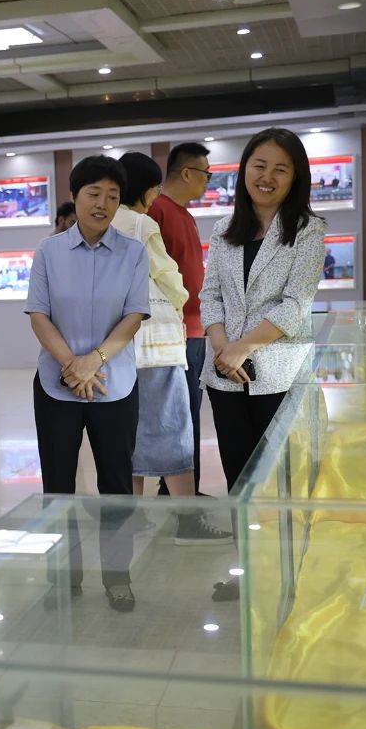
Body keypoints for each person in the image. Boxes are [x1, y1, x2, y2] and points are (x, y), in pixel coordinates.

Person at [199, 129, 325, 602]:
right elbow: (210, 296)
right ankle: (249, 572)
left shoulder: (308, 230)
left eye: (280, 168)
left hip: (280, 375)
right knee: (239, 482)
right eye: (259, 165)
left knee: (282, 482)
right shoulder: (224, 230)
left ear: (295, 177)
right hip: (226, 379)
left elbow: (296, 303)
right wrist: (223, 348)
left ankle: (289, 577)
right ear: (244, 170)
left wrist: (244, 347)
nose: (267, 177)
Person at [27, 156, 150, 612]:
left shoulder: (133, 252)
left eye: (112, 196)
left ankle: (117, 576)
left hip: (114, 384)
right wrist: (71, 365)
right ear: (75, 196)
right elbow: (39, 315)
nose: (103, 204)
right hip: (56, 383)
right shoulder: (49, 251)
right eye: (94, 194)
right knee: (58, 487)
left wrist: (92, 361)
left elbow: (133, 316)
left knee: (116, 486)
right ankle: (63, 578)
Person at [112, 153, 200, 505]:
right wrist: (182, 300)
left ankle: (130, 520)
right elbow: (167, 275)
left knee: (127, 438)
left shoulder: (102, 223)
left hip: (118, 345)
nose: (156, 195)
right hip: (156, 343)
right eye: (154, 188)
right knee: (172, 428)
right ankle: (187, 517)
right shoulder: (141, 225)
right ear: (145, 189)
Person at [149, 142, 212, 497]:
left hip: (195, 331)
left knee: (189, 413)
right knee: (180, 416)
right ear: (187, 173)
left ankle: (181, 491)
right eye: (206, 174)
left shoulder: (185, 215)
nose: (208, 182)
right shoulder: (158, 210)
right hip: (176, 333)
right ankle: (181, 495)